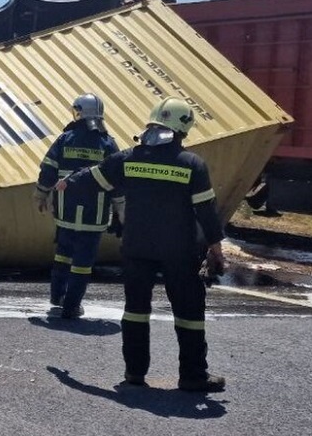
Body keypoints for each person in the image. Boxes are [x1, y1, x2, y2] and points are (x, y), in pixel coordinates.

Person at [56, 96, 227, 392]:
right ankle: (193, 376)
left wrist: (65, 183)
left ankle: (135, 373)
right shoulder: (192, 165)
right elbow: (206, 212)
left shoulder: (128, 158)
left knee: (135, 310)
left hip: (137, 249)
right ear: (183, 129)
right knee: (189, 313)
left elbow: (91, 178)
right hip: (180, 251)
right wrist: (216, 247)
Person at [33, 93, 122, 319]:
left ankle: (57, 295)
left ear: (79, 111)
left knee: (63, 253)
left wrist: (41, 194)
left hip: (66, 211)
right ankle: (72, 306)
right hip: (95, 213)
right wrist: (121, 208)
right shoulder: (107, 142)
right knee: (83, 261)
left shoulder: (66, 139)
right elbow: (118, 177)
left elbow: (48, 169)